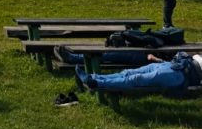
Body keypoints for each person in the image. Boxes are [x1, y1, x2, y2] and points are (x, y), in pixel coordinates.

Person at [69, 50, 202, 97]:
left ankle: (96, 82)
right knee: (128, 72)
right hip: (173, 64)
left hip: (180, 74)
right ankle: (93, 78)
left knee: (136, 79)